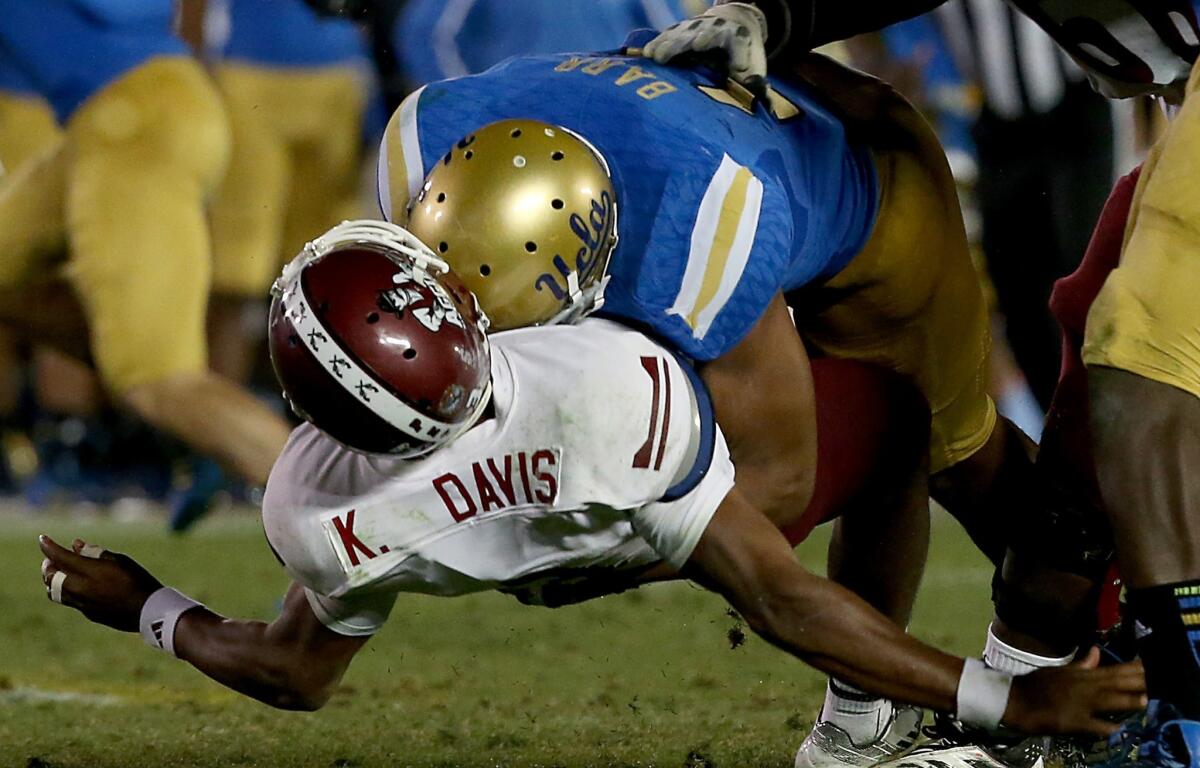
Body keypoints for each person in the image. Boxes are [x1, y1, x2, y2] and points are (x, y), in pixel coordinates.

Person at [38, 221, 1145, 755]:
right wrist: (1011, 700)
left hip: (569, 542)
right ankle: (859, 726)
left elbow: (293, 674)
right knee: (895, 411)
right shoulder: (601, 383)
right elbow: (776, 597)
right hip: (652, 462)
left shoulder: (317, 512)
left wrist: (145, 604)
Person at [374, 35, 1097, 765]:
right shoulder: (420, 145)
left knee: (938, 448)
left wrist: (602, 559)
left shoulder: (697, 223)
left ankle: (1125, 654)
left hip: (866, 181)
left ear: (597, 265)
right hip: (701, 142)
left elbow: (779, 487)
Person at [645, 1, 1200, 765]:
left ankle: (1187, 724)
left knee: (1142, 345)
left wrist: (778, 15)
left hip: (1137, 109)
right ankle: (1025, 728)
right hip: (1172, 97)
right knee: (1083, 371)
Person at [0, 0, 292, 488]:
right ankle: (202, 424)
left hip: (132, 120)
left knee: (159, 381)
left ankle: (355, 513)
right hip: (135, 109)